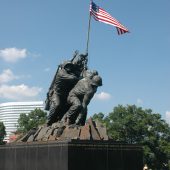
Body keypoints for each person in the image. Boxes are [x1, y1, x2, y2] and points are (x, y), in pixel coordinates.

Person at [46, 52, 88, 126]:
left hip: (65, 95)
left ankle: (64, 121)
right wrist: (82, 78)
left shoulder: (69, 71)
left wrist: (81, 58)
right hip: (57, 94)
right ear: (64, 67)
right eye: (67, 66)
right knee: (57, 105)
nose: (69, 67)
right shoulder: (61, 73)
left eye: (70, 66)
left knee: (67, 107)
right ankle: (48, 122)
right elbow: (74, 78)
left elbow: (75, 65)